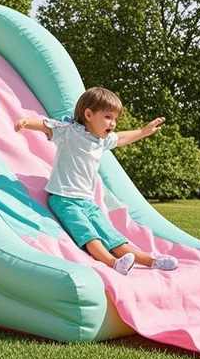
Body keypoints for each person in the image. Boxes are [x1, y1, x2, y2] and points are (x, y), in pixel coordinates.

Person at [14, 86, 179, 275]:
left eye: (115, 119)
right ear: (89, 114)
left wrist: (143, 131)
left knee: (111, 235)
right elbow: (46, 125)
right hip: (64, 199)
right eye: (108, 117)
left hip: (88, 201)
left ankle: (151, 261)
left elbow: (121, 138)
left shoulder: (102, 140)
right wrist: (26, 122)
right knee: (88, 235)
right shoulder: (69, 132)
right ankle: (113, 263)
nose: (113, 123)